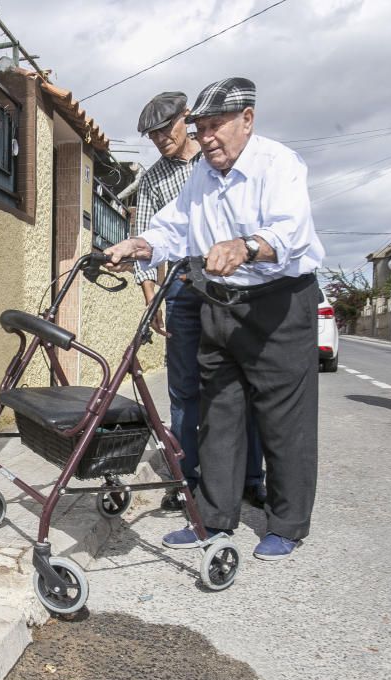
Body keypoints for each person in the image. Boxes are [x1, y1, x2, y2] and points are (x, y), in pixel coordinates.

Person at [105, 77, 324, 561]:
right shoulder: (203, 175)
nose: (207, 139)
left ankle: (286, 524)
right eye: (200, 128)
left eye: (216, 126)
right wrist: (140, 244)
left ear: (247, 119)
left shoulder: (278, 164)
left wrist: (246, 246)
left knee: (282, 420)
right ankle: (213, 517)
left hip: (278, 305)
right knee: (218, 415)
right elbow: (174, 226)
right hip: (218, 305)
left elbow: (292, 233)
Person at [131, 91, 266, 512]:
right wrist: (152, 299)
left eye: (165, 130)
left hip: (233, 282)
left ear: (185, 119)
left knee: (240, 383)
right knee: (184, 389)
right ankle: (186, 479)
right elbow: (146, 237)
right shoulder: (152, 180)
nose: (160, 140)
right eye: (151, 136)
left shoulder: (218, 158)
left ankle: (249, 478)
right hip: (182, 286)